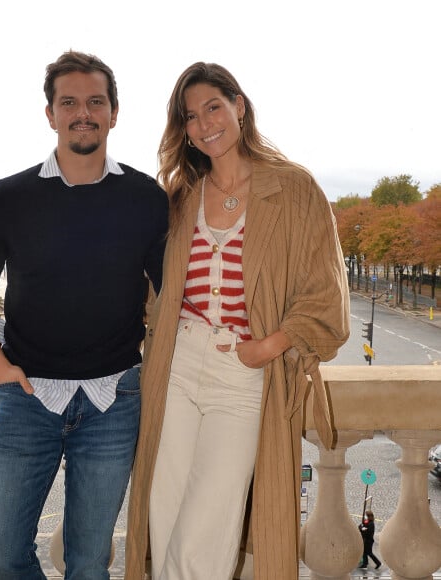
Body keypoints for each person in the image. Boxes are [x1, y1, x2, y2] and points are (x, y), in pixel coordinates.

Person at [124, 62, 350, 580]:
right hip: (177, 368)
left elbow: (326, 296)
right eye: (190, 116)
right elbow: (150, 288)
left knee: (206, 528)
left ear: (239, 106)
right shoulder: (181, 197)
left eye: (213, 108)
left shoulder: (294, 189)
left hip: (243, 374)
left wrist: (267, 347)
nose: (204, 125)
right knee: (164, 513)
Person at [0, 50, 168, 580]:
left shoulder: (147, 198)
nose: (83, 112)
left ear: (114, 113)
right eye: (68, 102)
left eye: (96, 101)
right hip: (27, 400)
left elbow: (173, 293)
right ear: (50, 114)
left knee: (90, 563)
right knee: (1, 554)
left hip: (114, 401)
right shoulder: (8, 197)